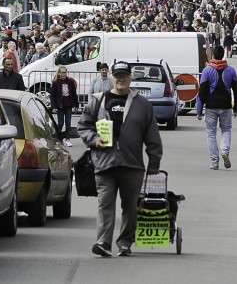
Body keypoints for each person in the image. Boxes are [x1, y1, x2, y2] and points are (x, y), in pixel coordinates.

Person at [77, 61, 163, 258]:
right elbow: (83, 126)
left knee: (130, 206)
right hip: (103, 163)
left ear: (131, 78)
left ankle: (125, 242)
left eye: (125, 75)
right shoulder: (98, 101)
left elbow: (152, 135)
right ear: (112, 78)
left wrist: (154, 163)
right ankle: (103, 242)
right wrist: (94, 139)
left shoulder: (142, 104)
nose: (121, 79)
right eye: (118, 76)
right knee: (105, 204)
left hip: (132, 164)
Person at [196, 45, 237, 170]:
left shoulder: (207, 71)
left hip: (211, 106)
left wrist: (199, 111)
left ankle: (214, 162)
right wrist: (236, 108)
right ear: (223, 56)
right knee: (226, 130)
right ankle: (225, 151)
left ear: (213, 56)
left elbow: (202, 92)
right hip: (226, 105)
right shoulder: (231, 70)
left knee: (211, 133)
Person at [50, 65, 79, 147]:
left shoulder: (70, 82)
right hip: (60, 106)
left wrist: (76, 105)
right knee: (60, 123)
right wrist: (53, 107)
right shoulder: (56, 83)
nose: (64, 74)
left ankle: (67, 139)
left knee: (68, 122)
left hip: (68, 105)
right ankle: (58, 138)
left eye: (65, 72)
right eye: (62, 72)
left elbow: (74, 94)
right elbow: (52, 96)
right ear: (59, 73)